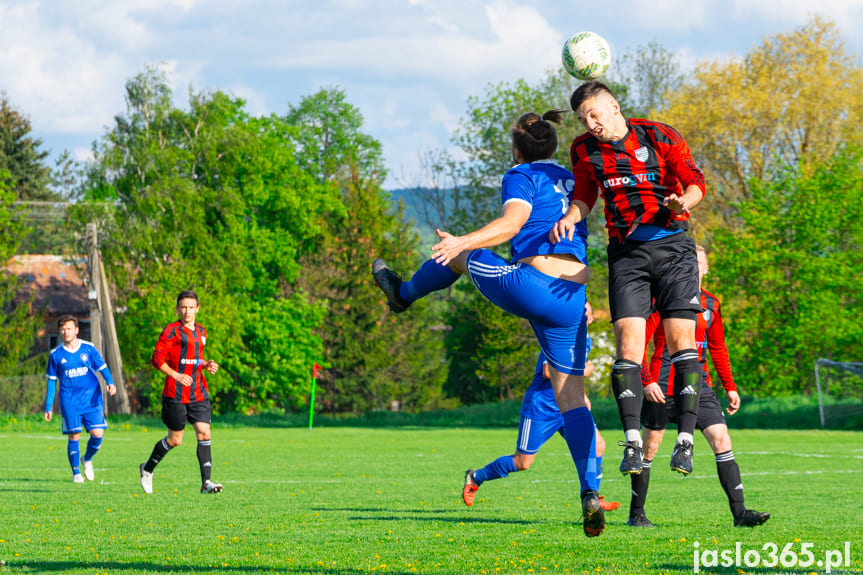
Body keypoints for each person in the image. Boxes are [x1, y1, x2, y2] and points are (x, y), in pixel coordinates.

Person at [372, 110, 605, 537]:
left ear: (517, 149)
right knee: (573, 399)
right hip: (573, 297)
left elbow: (513, 223)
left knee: (458, 256)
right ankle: (590, 492)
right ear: (554, 146)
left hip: (533, 283)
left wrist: (465, 240)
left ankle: (401, 295)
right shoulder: (571, 176)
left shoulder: (520, 174)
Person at [551, 80, 705, 477]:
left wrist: (681, 201)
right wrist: (571, 215)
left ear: (614, 107)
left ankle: (685, 442)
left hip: (673, 248)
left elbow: (695, 183)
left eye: (596, 114)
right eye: (585, 119)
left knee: (680, 342)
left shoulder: (658, 135)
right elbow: (585, 195)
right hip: (627, 255)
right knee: (627, 346)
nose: (591, 124)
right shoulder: (584, 150)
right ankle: (633, 443)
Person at [628, 246, 770, 528]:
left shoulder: (711, 305)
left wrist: (730, 386)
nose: (693, 267)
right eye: (688, 262)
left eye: (698, 263)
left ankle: (740, 514)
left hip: (700, 388)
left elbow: (717, 347)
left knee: (722, 440)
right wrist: (647, 380)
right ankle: (636, 514)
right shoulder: (663, 301)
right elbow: (638, 342)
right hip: (663, 387)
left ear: (705, 268)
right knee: (649, 449)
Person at [462, 303, 620, 512]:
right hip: (542, 408)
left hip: (569, 407)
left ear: (589, 320)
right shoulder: (556, 336)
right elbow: (548, 371)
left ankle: (592, 498)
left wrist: (582, 396)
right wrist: (584, 370)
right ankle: (475, 477)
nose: (578, 315)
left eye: (584, 313)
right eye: (576, 311)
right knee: (522, 462)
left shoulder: (586, 341)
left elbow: (572, 379)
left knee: (598, 445)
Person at [139, 290, 222, 495]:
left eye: (191, 307)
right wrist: (175, 375)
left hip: (198, 392)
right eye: (183, 307)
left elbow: (195, 360)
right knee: (175, 440)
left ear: (197, 309)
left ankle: (206, 483)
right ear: (177, 308)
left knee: (204, 432)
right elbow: (156, 359)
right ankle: (147, 469)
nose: (187, 311)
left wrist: (206, 364)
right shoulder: (171, 331)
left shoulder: (202, 332)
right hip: (175, 394)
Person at [44, 315, 117, 483]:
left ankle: (87, 459)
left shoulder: (89, 348)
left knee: (97, 434)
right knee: (74, 435)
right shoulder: (55, 355)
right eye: (62, 329)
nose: (65, 332)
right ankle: (76, 472)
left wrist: (110, 382)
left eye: (69, 328)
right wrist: (48, 406)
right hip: (69, 401)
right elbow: (51, 381)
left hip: (91, 399)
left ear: (76, 330)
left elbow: (102, 367)